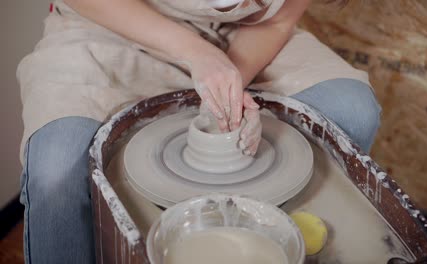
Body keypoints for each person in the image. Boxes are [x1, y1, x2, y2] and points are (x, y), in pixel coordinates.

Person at [17, 0, 381, 263]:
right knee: (57, 168)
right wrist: (195, 54)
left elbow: (274, 22)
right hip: (108, 24)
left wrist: (229, 85)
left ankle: (254, 241)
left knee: (349, 110)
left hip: (239, 34)